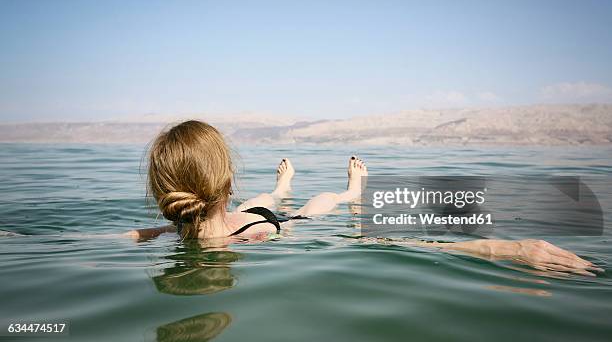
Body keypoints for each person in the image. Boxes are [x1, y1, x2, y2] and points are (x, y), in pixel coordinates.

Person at [126, 120, 600, 276]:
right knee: (318, 206)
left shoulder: (169, 230)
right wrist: (502, 247)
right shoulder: (254, 241)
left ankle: (283, 186)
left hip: (236, 215)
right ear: (225, 182)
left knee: (268, 195)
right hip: (268, 222)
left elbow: (133, 235)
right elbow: (381, 246)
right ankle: (351, 191)